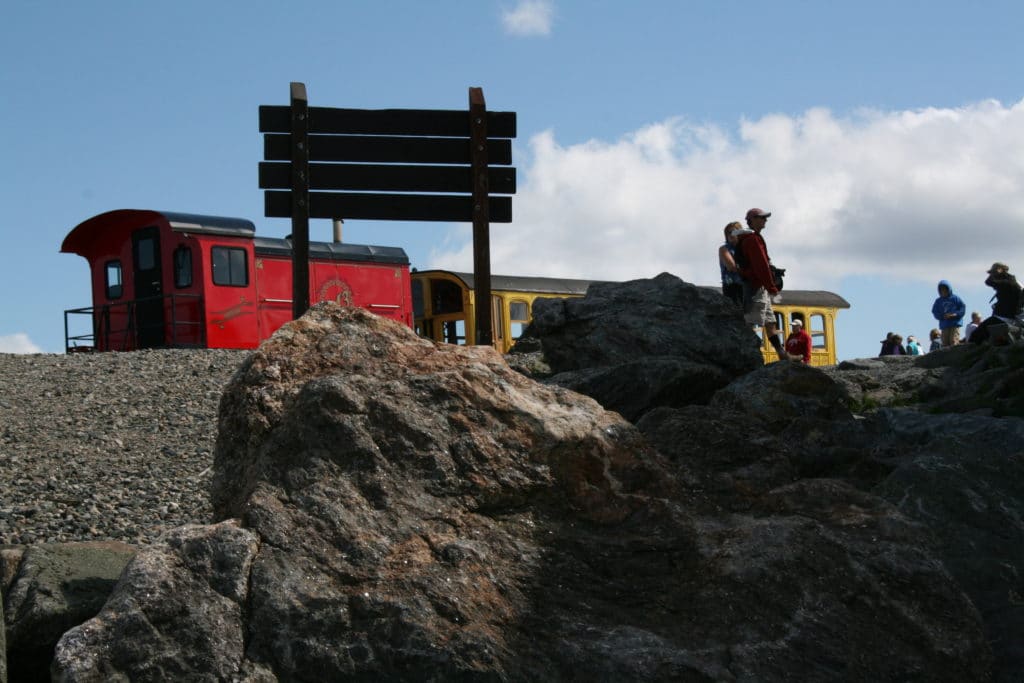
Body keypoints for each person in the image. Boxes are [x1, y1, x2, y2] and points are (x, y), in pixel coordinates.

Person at [734, 208, 786, 361]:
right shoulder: (752, 240)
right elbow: (761, 265)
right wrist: (772, 288)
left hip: (757, 285)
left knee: (770, 322)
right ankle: (746, 358)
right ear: (753, 220)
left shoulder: (749, 238)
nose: (765, 220)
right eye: (762, 218)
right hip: (756, 286)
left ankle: (782, 353)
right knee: (751, 322)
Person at [969, 262, 1022, 345]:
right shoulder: (1009, 282)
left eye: (994, 273)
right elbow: (989, 282)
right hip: (1002, 317)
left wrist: (995, 273)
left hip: (1004, 318)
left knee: (977, 335)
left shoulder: (1008, 283)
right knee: (979, 333)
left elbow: (989, 282)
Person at [931, 280, 966, 347]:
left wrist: (955, 314)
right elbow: (934, 311)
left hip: (955, 323)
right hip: (945, 324)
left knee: (953, 341)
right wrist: (942, 316)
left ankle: (955, 353)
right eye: (941, 290)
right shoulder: (938, 301)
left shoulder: (955, 298)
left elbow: (962, 308)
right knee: (945, 343)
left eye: (945, 289)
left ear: (948, 289)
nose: (943, 291)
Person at [718, 222, 745, 307]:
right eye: (728, 233)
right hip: (732, 287)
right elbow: (731, 267)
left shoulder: (745, 248)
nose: (730, 235)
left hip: (746, 286)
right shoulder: (724, 249)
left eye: (733, 232)